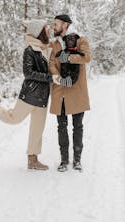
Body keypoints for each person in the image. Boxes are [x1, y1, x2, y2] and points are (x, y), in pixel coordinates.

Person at [0, 19, 59, 171]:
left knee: (37, 129)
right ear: (39, 31)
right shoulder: (30, 50)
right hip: (30, 93)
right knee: (13, 118)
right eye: (46, 28)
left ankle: (33, 160)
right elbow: (28, 73)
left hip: (43, 97)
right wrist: (49, 78)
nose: (49, 30)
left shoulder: (47, 48)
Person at [49, 14, 91, 172]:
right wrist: (56, 76)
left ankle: (77, 160)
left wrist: (68, 58)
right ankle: (64, 160)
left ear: (65, 25)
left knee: (78, 126)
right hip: (60, 90)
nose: (54, 27)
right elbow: (52, 62)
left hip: (76, 91)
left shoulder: (80, 40)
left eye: (56, 24)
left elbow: (86, 57)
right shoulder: (54, 43)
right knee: (61, 126)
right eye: (53, 25)